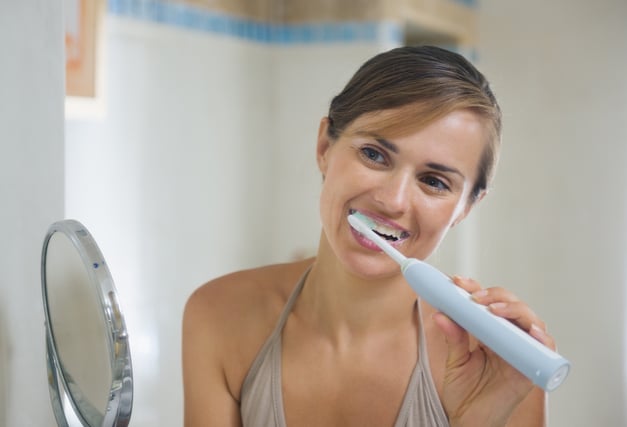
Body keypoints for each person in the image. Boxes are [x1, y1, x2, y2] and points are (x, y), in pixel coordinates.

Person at [182, 45, 556, 427]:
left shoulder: (505, 364)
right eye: (375, 155)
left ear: (465, 208)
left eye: (433, 181)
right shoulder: (220, 315)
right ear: (325, 147)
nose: (392, 201)